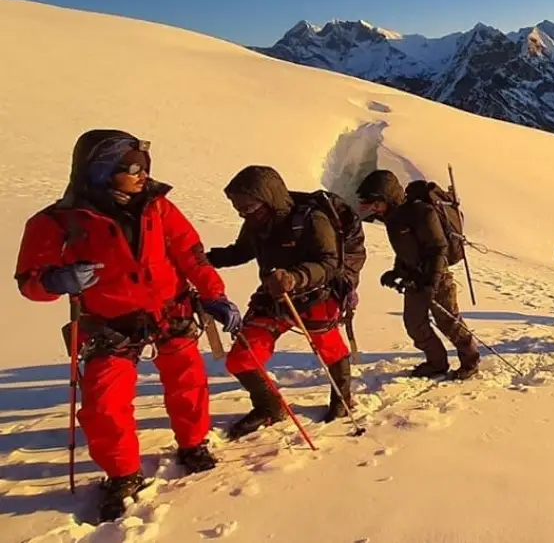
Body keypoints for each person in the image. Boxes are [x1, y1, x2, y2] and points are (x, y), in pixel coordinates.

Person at [13, 130, 240, 521]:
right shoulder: (58, 221)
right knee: (104, 404)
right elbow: (29, 279)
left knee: (188, 383)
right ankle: (122, 473)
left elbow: (190, 254)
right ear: (100, 171)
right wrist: (54, 280)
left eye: (145, 167)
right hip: (109, 321)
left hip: (170, 309)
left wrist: (213, 294)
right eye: (131, 168)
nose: (142, 175)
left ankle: (193, 444)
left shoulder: (159, 207)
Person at [206, 166, 355, 439]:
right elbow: (241, 252)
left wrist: (295, 278)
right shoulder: (255, 223)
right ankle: (269, 407)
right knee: (242, 357)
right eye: (239, 208)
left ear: (269, 198)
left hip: (315, 295)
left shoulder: (312, 219)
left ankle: (342, 398)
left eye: (248, 207)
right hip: (273, 298)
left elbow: (330, 263)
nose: (243, 213)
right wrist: (205, 260)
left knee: (330, 350)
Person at [356, 170, 480, 379]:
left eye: (376, 203)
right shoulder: (392, 218)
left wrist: (432, 281)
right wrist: (396, 272)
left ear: (387, 198)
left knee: (448, 321)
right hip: (415, 279)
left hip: (437, 278)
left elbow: (438, 248)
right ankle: (437, 363)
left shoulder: (421, 213)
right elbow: (405, 249)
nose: (374, 209)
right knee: (414, 324)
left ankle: (470, 361)